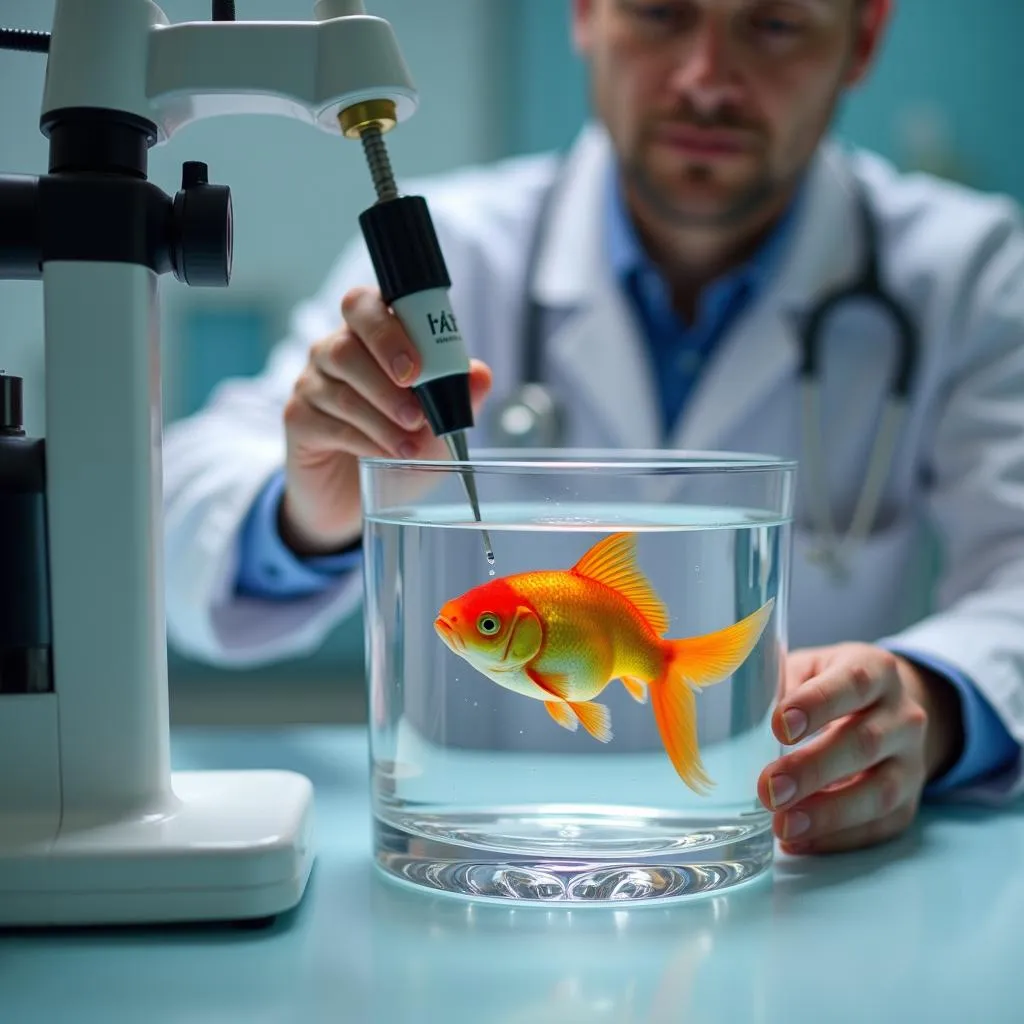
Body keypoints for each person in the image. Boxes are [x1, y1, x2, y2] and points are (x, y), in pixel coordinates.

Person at [163, 0, 1024, 856]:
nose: (706, 82)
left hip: (775, 856)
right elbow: (174, 500)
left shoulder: (971, 271)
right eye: (659, 15)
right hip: (479, 859)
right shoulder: (453, 249)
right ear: (584, 14)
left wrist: (938, 701)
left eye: (773, 26)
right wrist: (307, 509)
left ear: (863, 38)